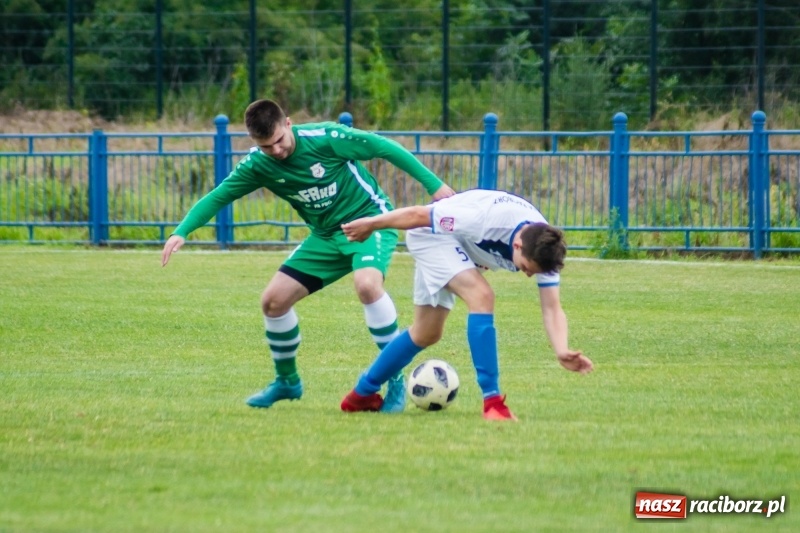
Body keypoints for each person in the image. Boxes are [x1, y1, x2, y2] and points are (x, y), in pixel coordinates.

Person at [161, 99, 455, 411]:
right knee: (273, 302)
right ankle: (287, 381)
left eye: (278, 140)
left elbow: (384, 147)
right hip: (326, 237)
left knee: (368, 286)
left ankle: (393, 379)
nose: (275, 151)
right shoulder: (258, 164)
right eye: (265, 147)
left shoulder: (326, 138)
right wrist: (182, 230)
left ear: (288, 123)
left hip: (369, 222)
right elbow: (219, 195)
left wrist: (434, 185)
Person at [339, 189, 593, 420]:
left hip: (460, 248)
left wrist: (561, 349)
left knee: (425, 333)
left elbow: (552, 307)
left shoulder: (545, 248)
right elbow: (418, 215)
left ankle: (361, 395)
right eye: (526, 268)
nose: (527, 274)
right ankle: (493, 402)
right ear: (516, 245)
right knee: (482, 296)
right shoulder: (484, 219)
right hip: (432, 237)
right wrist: (371, 224)